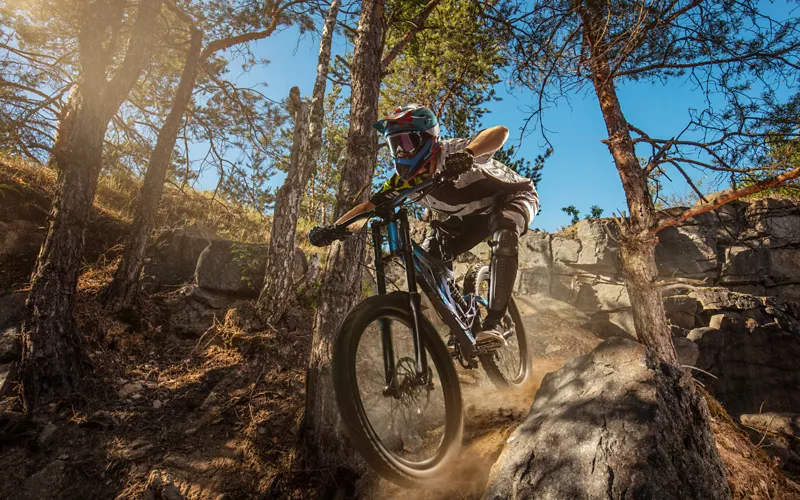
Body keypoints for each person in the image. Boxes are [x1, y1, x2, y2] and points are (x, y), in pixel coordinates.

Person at [311, 104, 539, 347]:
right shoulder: (401, 183)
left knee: (505, 230)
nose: (400, 152)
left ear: (428, 139)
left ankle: (493, 323)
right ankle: (461, 321)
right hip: (472, 217)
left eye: (406, 143)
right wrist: (335, 229)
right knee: (430, 256)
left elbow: (499, 132)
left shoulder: (451, 152)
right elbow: (369, 207)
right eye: (394, 145)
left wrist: (469, 154)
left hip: (513, 198)